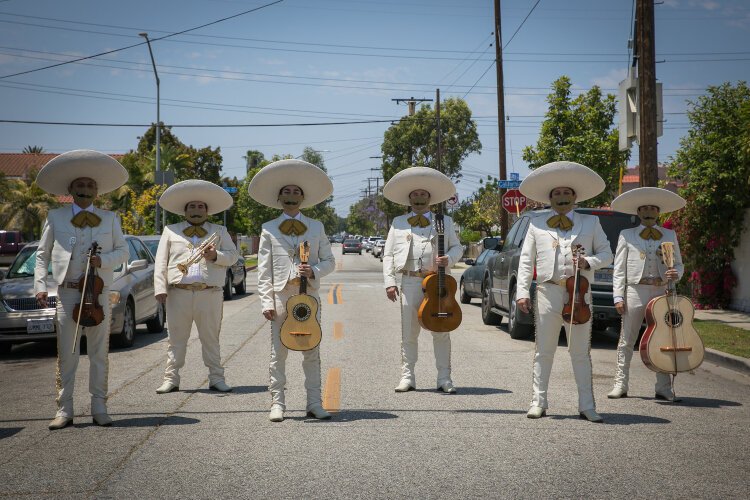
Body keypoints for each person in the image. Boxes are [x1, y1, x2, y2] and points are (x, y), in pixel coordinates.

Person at [34, 150, 129, 430]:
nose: (85, 190)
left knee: (99, 353)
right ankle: (64, 410)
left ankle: (100, 406)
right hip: (67, 292)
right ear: (71, 190)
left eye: (90, 186)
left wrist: (104, 260)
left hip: (99, 293)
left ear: (97, 191)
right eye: (80, 186)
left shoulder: (110, 218)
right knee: (68, 352)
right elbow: (42, 254)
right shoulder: (55, 216)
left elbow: (123, 251)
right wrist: (40, 285)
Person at [516, 161, 613, 422]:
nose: (561, 198)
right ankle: (538, 401)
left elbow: (607, 254)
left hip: (580, 295)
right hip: (548, 292)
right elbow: (526, 260)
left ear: (575, 197)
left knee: (580, 351)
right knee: (543, 350)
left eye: (566, 193)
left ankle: (587, 405)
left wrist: (588, 262)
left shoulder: (591, 223)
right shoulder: (537, 224)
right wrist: (522, 292)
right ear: (550, 198)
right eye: (557, 194)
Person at [249, 159, 336, 422]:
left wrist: (315, 271)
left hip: (308, 296)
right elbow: (263, 270)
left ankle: (314, 403)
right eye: (286, 192)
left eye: (296, 192)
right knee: (279, 352)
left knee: (312, 350)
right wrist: (266, 302)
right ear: (279, 198)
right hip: (280, 296)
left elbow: (329, 261)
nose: (291, 196)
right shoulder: (268, 229)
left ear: (303, 198)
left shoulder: (316, 227)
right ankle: (278, 403)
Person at [382, 167, 463, 394]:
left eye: (423, 195)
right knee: (409, 332)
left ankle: (444, 378)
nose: (419, 199)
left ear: (430, 198)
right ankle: (407, 377)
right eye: (415, 195)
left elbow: (458, 246)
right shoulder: (398, 222)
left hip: (437, 282)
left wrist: (450, 258)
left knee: (441, 329)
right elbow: (388, 254)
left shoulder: (443, 221)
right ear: (409, 199)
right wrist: (389, 282)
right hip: (409, 282)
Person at [153, 179, 238, 394]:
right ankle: (171, 379)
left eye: (201, 206)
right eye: (192, 206)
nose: (196, 210)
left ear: (207, 210)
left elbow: (233, 256)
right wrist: (160, 288)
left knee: (210, 338)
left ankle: (216, 378)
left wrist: (215, 255)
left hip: (209, 293)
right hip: (178, 293)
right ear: (185, 211)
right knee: (175, 339)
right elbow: (161, 261)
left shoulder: (219, 230)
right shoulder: (171, 230)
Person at [608, 187, 686, 402]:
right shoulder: (627, 235)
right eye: (645, 208)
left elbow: (679, 264)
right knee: (627, 338)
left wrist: (675, 273)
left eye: (653, 208)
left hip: (661, 289)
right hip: (635, 289)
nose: (649, 212)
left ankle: (663, 387)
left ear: (658, 212)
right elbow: (619, 269)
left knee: (662, 338)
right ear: (639, 212)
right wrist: (618, 296)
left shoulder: (669, 235)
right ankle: (620, 383)